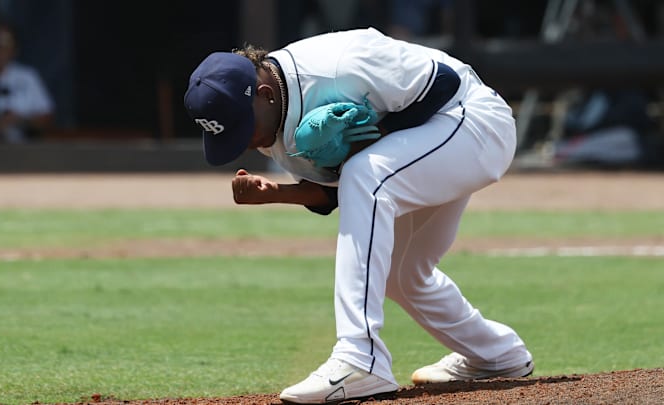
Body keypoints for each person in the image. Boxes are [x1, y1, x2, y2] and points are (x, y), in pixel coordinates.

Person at [184, 27, 534, 404]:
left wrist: (379, 134)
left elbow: (442, 82)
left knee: (367, 173)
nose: (244, 142)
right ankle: (497, 355)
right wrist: (275, 194)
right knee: (401, 273)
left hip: (473, 121)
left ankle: (360, 356)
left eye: (242, 129)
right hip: (426, 144)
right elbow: (334, 192)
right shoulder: (270, 117)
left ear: (265, 95)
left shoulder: (339, 64)